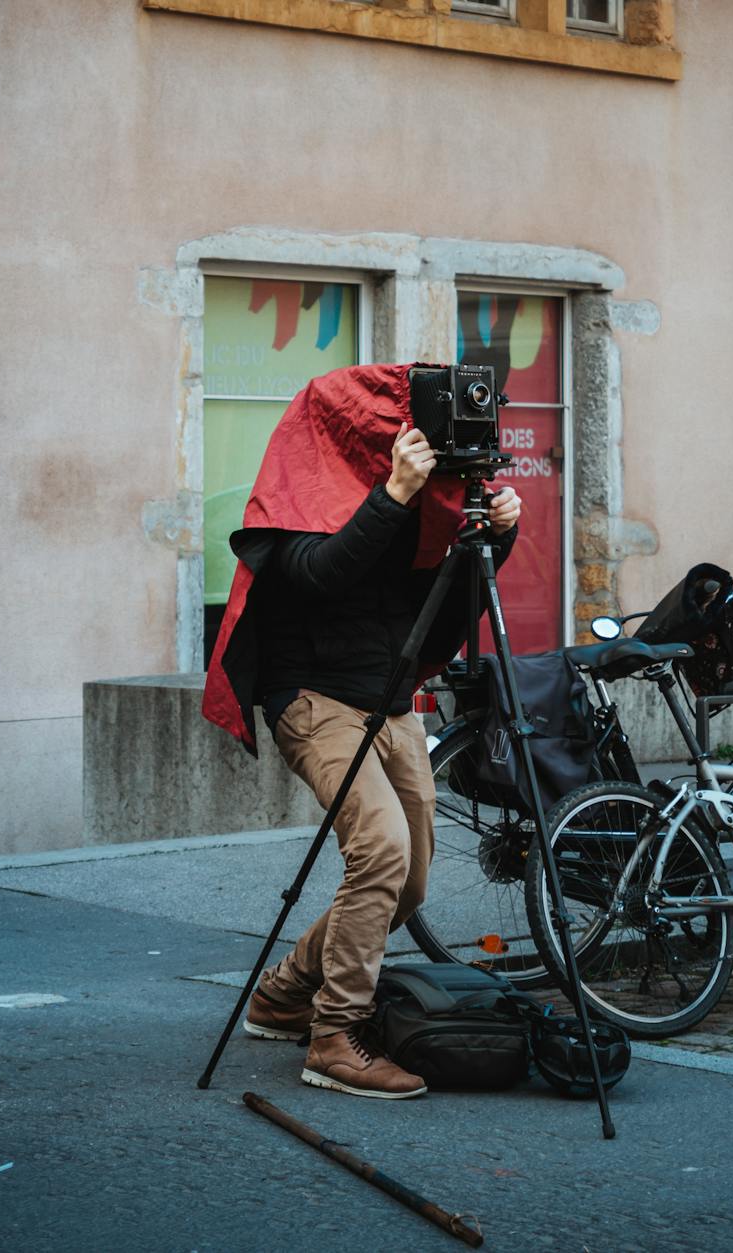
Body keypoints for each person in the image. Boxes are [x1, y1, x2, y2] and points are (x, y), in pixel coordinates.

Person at [239, 421, 521, 1099]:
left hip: (390, 703)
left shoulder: (413, 517)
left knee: (409, 882)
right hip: (313, 700)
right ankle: (334, 1036)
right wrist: (392, 490)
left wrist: (497, 538)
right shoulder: (298, 499)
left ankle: (280, 995)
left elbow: (447, 608)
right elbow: (320, 572)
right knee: (381, 849)